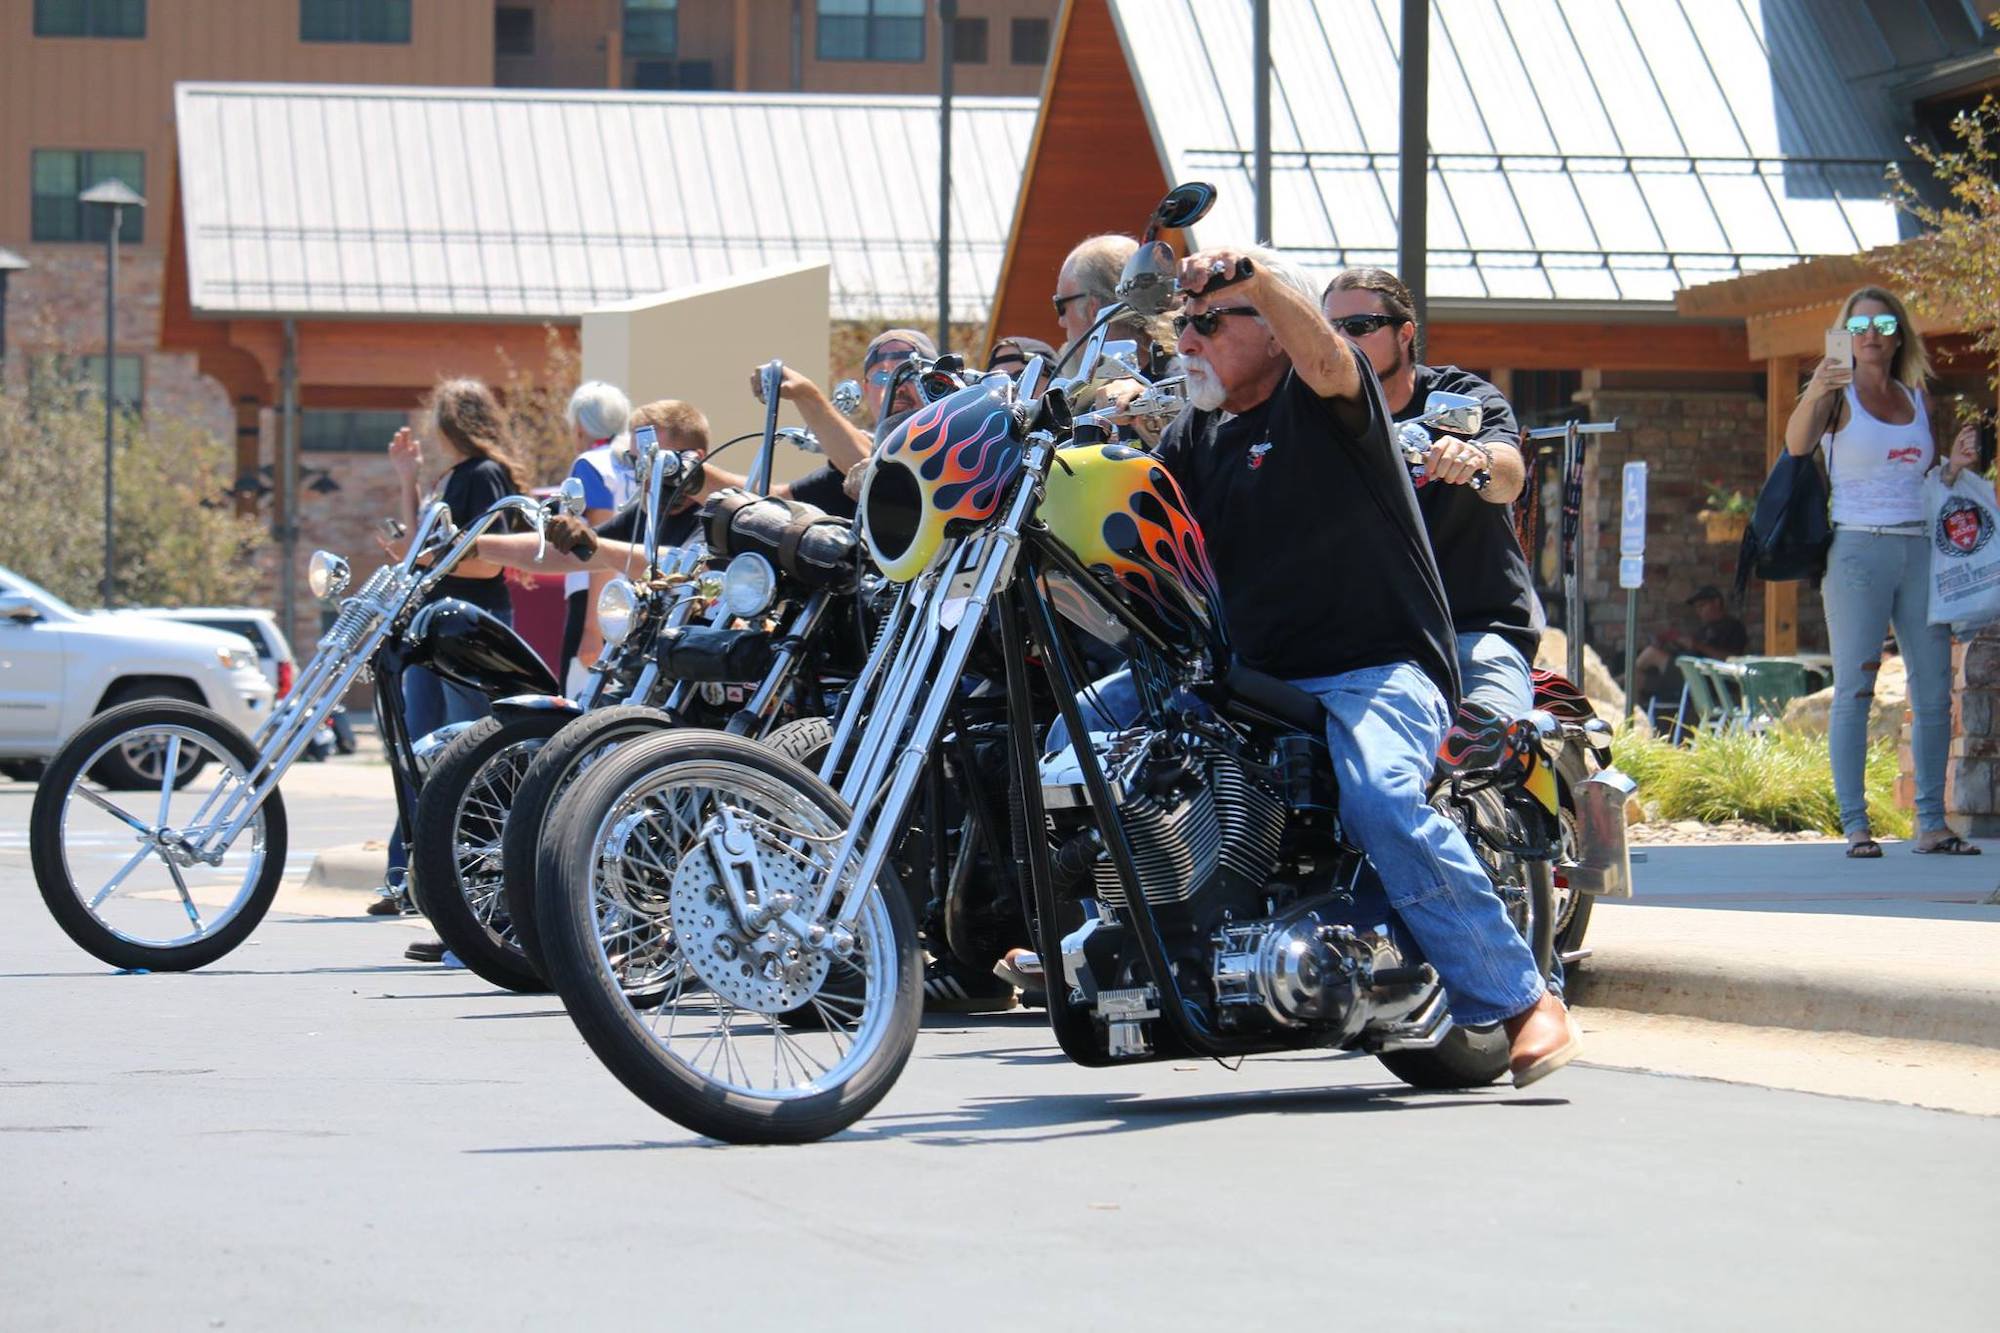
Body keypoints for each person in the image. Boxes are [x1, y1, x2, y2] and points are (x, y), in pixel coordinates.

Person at [1054, 243, 1578, 1085]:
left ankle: (1519, 996)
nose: (1189, 340)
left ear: (1273, 333)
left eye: (1212, 323)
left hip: (1375, 665)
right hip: (1249, 674)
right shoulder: (1197, 434)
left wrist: (1255, 277)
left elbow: (1331, 358)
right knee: (1075, 730)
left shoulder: (1328, 404)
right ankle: (1113, 941)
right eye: (1185, 327)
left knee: (1379, 795)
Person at [1784, 285, 1983, 859]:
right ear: (1846, 335)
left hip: (1919, 548)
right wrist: (1818, 388)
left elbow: (1921, 477)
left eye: (1885, 325)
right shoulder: (1836, 393)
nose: (1873, 335)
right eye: (1861, 326)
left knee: (1934, 691)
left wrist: (1956, 469)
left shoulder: (1916, 395)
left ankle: (1931, 824)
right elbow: (1796, 446)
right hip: (1857, 551)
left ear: (1901, 335)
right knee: (1856, 688)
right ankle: (1856, 825)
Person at [1321, 267, 1539, 717]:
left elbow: (1509, 475)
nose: (1342, 340)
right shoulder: (1315, 414)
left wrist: (1476, 460)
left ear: (1404, 333)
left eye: (1360, 327)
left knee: (1492, 745)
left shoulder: (1460, 397)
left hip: (1470, 628)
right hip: (1365, 641)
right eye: (1330, 328)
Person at [368, 380, 527, 958]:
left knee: (467, 758)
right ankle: (411, 877)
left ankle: (469, 893)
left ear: (451, 421)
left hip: (466, 629)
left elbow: (487, 564)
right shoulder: (449, 480)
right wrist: (407, 481)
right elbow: (420, 552)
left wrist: (430, 554)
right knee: (419, 754)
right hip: (428, 626)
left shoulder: (482, 476)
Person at [707, 329, 936, 516]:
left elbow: (884, 478)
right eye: (882, 377)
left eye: (911, 373)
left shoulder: (956, 445)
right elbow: (773, 502)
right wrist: (693, 477)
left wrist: (807, 396)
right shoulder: (847, 468)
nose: (897, 385)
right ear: (867, 389)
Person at [558, 381, 635, 696]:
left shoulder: (591, 464)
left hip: (596, 599)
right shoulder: (635, 462)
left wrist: (592, 628)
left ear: (578, 426)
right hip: (637, 594)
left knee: (576, 706)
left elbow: (601, 544)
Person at [1633, 585, 1748, 708]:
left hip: (1707, 680)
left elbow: (1732, 659)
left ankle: (1613, 681)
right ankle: (1633, 720)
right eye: (1697, 608)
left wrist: (1697, 645)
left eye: (1702, 606)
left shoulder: (1733, 627)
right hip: (1687, 676)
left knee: (1651, 654)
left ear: (1717, 602)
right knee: (1637, 679)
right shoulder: (1704, 629)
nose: (1699, 612)